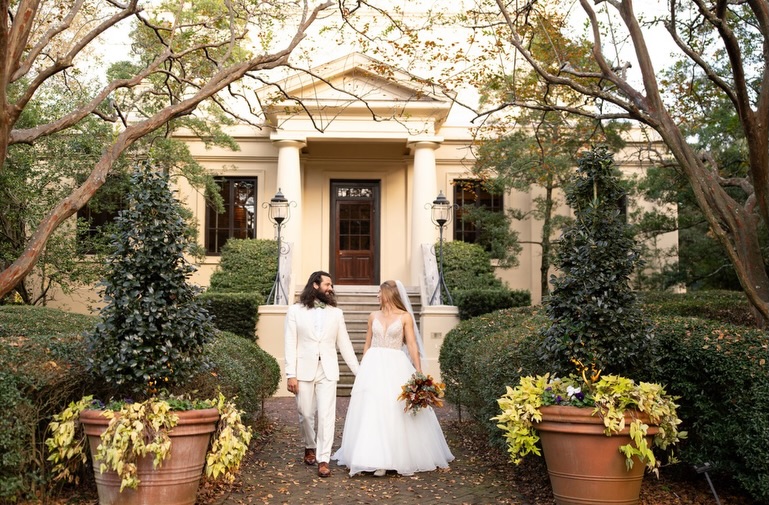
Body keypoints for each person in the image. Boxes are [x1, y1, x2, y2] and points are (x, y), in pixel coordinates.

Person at [332, 280, 454, 477]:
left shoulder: (405, 317)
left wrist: (419, 370)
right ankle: (371, 457)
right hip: (373, 363)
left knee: (393, 408)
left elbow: (412, 344)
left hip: (396, 364)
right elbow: (367, 343)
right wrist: (363, 368)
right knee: (371, 408)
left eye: (379, 292)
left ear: (388, 293)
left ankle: (391, 458)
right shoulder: (373, 316)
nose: (377, 296)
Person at [285, 271, 360, 478]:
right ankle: (309, 445)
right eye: (328, 284)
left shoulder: (336, 313)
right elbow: (290, 343)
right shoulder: (295, 311)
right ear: (316, 285)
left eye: (332, 285)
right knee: (305, 412)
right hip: (303, 370)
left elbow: (344, 345)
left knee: (327, 416)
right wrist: (290, 373)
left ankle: (323, 458)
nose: (331, 288)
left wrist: (359, 373)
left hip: (328, 370)